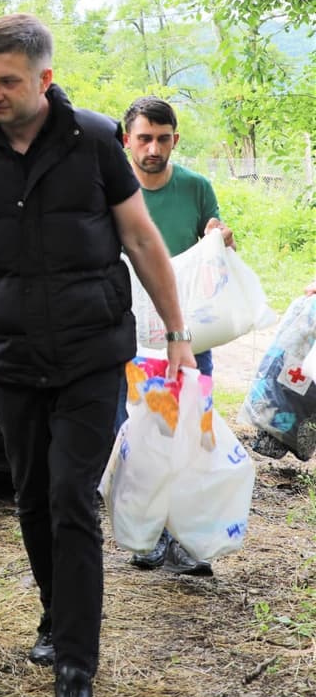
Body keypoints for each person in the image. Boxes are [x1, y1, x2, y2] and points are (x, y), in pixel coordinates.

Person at [0, 14, 196, 697]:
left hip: (90, 352)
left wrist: (179, 335)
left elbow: (141, 239)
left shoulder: (95, 139)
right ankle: (54, 610)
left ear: (44, 78)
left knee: (71, 495)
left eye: (6, 81)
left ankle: (75, 669)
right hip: (11, 355)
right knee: (33, 498)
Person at [120, 95, 235, 577]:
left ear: (175, 140)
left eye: (163, 139)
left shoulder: (195, 187)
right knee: (140, 439)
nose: (153, 149)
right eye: (144, 138)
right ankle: (147, 536)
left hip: (186, 337)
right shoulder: (114, 189)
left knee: (189, 436)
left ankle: (186, 539)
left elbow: (217, 253)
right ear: (126, 140)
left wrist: (222, 239)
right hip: (130, 338)